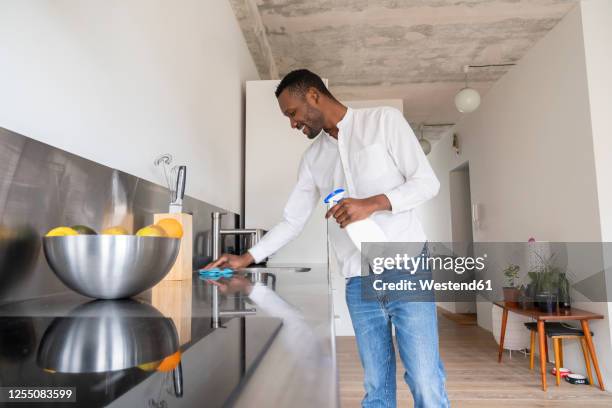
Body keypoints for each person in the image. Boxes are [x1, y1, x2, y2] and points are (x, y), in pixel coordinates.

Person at [205, 69, 449, 407]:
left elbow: (426, 183)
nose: (292, 124)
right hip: (357, 277)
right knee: (377, 386)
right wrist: (246, 258)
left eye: (292, 113)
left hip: (407, 265)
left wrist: (371, 204)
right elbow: (292, 221)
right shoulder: (313, 159)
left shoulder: (383, 122)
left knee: (424, 378)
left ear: (313, 96)